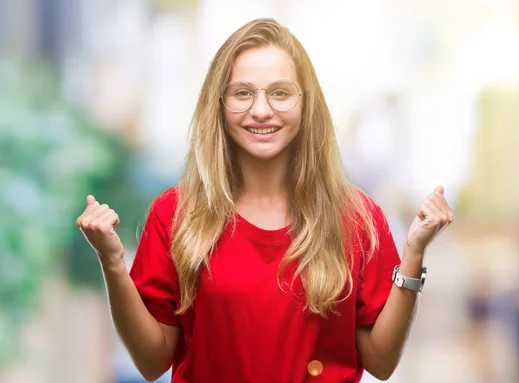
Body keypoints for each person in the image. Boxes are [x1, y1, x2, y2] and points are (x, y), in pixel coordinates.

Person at [76, 18, 454, 383]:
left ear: (306, 105)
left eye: (280, 92)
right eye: (243, 93)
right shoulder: (176, 214)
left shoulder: (357, 218)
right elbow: (151, 360)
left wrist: (414, 253)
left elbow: (382, 361)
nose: (261, 110)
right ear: (219, 105)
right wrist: (112, 262)